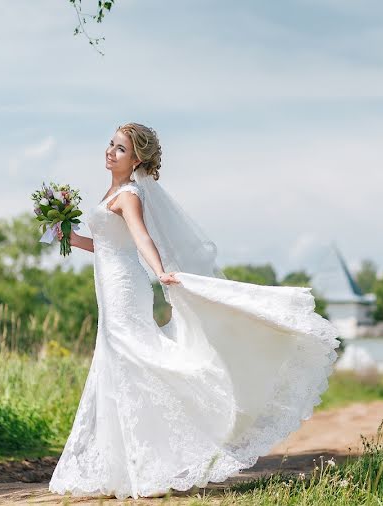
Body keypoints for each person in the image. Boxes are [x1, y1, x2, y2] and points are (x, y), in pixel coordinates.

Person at [47, 122, 340, 499]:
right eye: (110, 145)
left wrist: (160, 272)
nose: (110, 152)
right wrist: (68, 236)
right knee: (117, 363)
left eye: (120, 149)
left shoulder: (130, 195)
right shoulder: (112, 191)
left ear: (136, 158)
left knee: (135, 359)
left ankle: (160, 454)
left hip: (125, 286)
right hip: (108, 283)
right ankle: (127, 466)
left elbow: (140, 238)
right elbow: (106, 244)